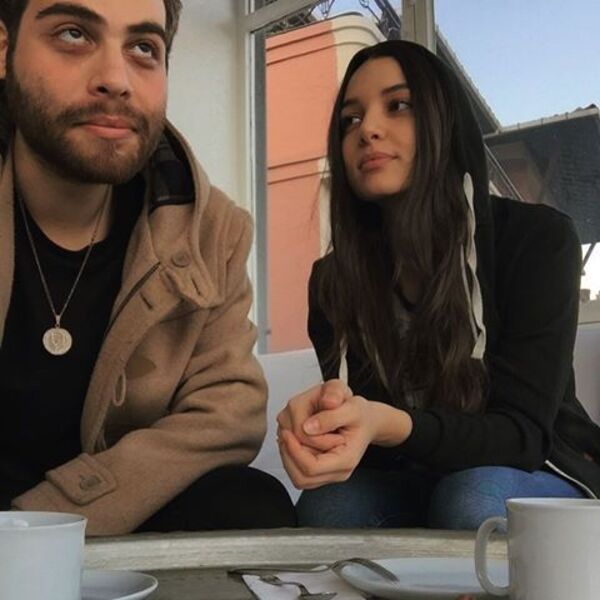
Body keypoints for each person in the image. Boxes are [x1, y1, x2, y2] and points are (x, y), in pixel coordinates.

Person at [0, 0, 296, 535]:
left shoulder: (213, 230)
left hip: (104, 505)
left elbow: (228, 411)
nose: (115, 80)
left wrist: (38, 527)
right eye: (73, 34)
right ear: (4, 50)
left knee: (250, 505)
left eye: (143, 48)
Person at [277, 40, 600, 530]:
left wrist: (387, 424)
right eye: (350, 119)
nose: (368, 130)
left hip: (542, 469)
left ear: (443, 121)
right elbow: (375, 450)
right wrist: (326, 427)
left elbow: (522, 436)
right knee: (329, 506)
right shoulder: (333, 281)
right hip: (421, 476)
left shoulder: (537, 240)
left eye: (398, 105)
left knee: (470, 498)